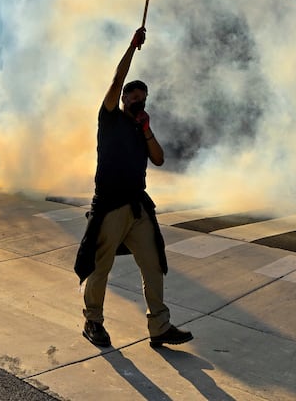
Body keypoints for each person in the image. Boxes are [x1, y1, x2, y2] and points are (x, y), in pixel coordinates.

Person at [74, 27, 193, 349]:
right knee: (100, 267)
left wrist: (147, 129)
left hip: (137, 207)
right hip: (110, 205)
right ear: (124, 98)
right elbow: (117, 80)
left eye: (143, 97)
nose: (139, 100)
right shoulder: (109, 118)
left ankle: (160, 326)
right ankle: (93, 321)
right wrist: (131, 47)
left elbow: (159, 159)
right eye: (134, 96)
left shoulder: (141, 129)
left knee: (153, 265)